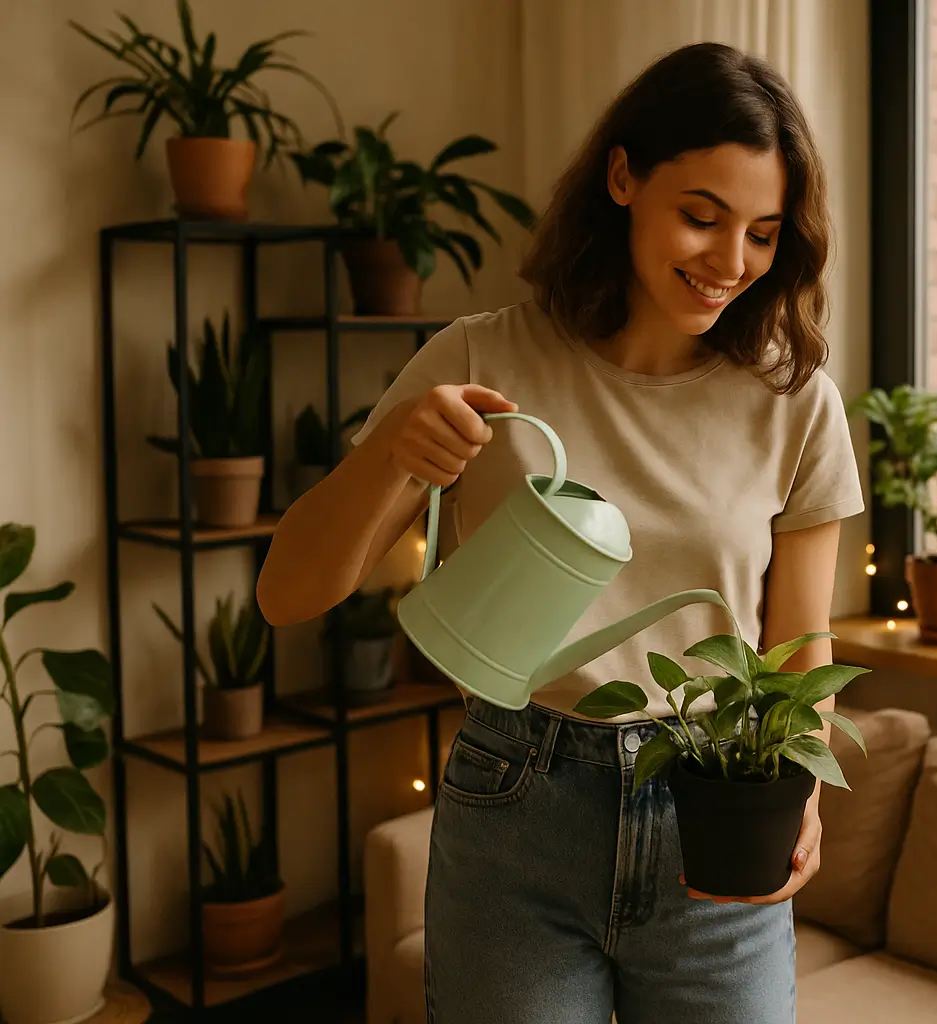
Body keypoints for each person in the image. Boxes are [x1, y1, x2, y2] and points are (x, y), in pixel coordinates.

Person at [256, 41, 863, 1024]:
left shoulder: (795, 402)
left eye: (761, 232)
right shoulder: (482, 357)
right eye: (701, 217)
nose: (730, 261)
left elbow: (798, 645)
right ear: (623, 177)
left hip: (714, 810)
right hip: (516, 805)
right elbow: (287, 593)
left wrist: (801, 796)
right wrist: (394, 455)